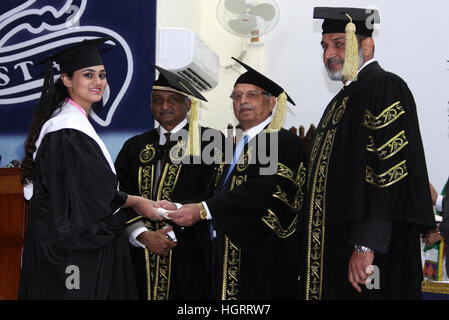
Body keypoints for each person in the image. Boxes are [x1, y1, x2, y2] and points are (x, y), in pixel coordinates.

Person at [301, 7, 436, 300]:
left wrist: (366, 245)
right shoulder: (341, 101)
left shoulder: (384, 86)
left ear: (367, 45)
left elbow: (388, 170)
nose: (329, 54)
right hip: (342, 247)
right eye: (325, 46)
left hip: (375, 253)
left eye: (339, 43)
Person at [18, 38, 162, 299]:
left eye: (102, 75)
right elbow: (92, 196)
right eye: (88, 75)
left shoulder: (73, 125)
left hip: (72, 244)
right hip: (74, 254)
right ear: (67, 80)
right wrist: (138, 201)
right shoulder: (67, 132)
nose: (98, 82)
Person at [160, 57, 308, 300]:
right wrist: (179, 208)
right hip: (223, 257)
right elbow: (215, 193)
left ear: (272, 102)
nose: (243, 101)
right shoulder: (233, 145)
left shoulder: (283, 142)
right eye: (237, 96)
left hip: (261, 262)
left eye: (252, 94)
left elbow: (262, 191)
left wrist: (203, 210)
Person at [114, 64, 223, 300]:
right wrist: (142, 235)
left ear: (188, 104)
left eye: (173, 99)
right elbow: (118, 195)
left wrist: (172, 233)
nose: (164, 106)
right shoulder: (134, 147)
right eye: (157, 99)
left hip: (189, 255)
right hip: (139, 257)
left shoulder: (210, 142)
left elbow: (216, 193)